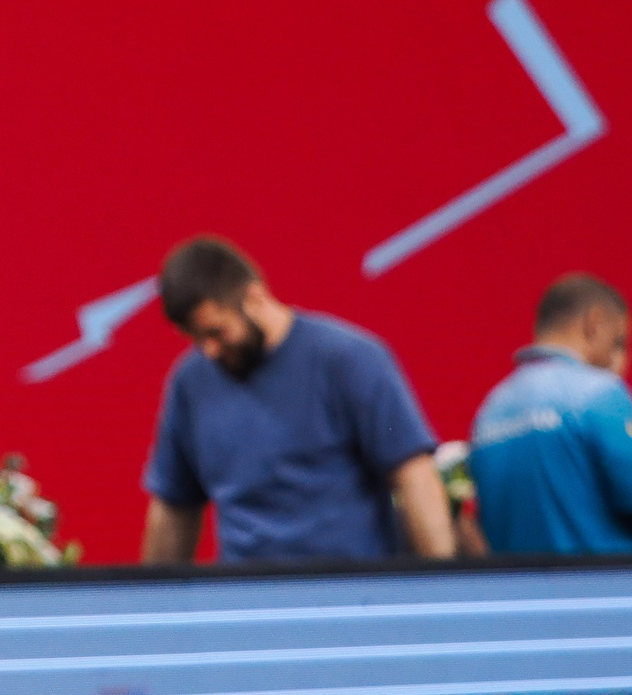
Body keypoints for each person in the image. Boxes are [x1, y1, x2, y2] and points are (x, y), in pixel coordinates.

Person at [139, 236, 454, 563]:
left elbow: (413, 473)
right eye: (197, 339)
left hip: (351, 594)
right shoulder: (190, 383)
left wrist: (442, 584)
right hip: (245, 599)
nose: (210, 351)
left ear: (255, 297)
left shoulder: (350, 359)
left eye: (217, 332)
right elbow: (174, 507)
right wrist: (147, 606)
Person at [468, 273, 632, 554]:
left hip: (518, 594)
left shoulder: (489, 412)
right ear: (594, 324)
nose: (623, 362)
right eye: (620, 343)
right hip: (607, 592)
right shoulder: (600, 393)